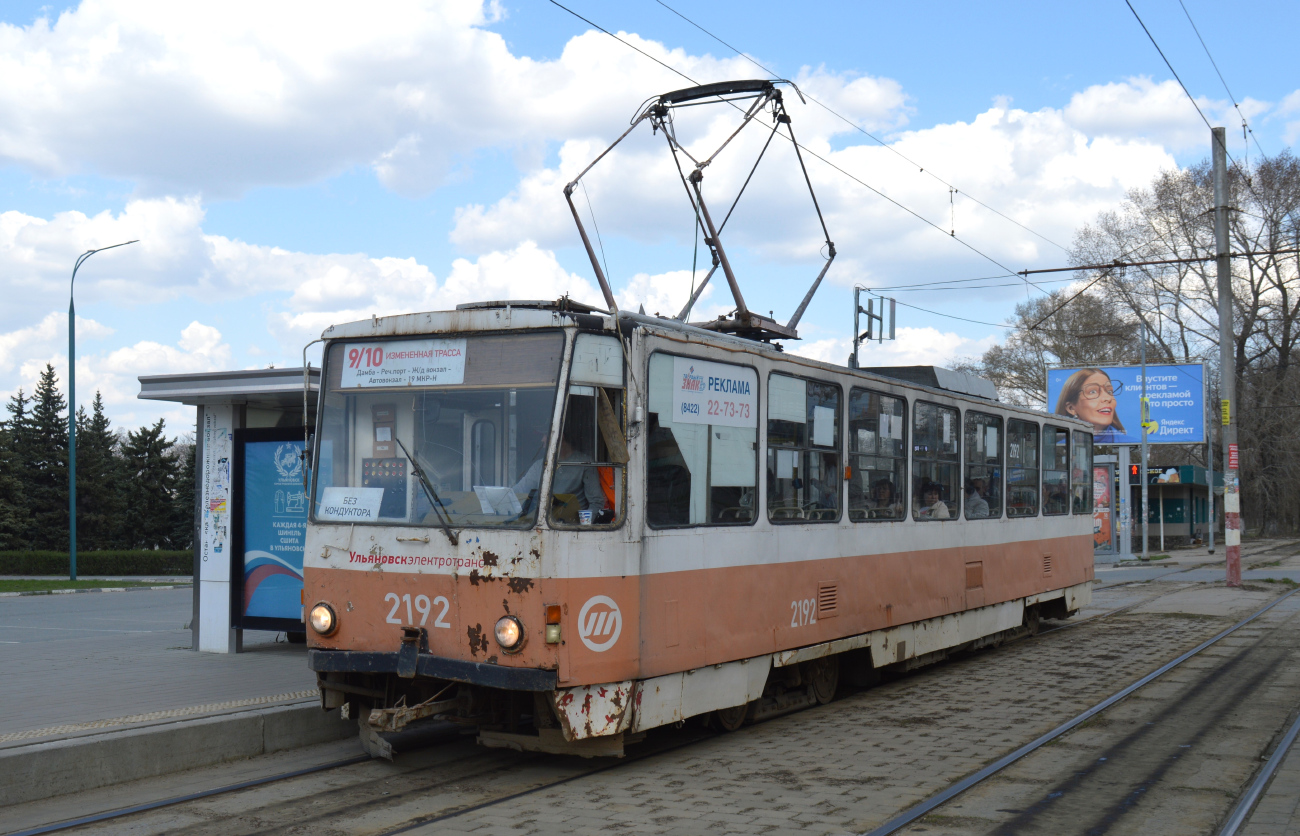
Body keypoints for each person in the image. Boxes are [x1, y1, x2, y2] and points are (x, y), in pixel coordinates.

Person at [513, 433, 607, 520]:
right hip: (541, 523)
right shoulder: (539, 466)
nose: (542, 439)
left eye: (546, 434)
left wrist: (584, 525)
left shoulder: (584, 463)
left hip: (572, 525)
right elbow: (520, 489)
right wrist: (505, 494)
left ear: (560, 437)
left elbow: (596, 502)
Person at [1056, 369, 1126, 442]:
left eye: (1109, 391)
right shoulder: (1059, 446)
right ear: (1071, 408)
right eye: (1093, 392)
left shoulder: (1129, 442)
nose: (1108, 398)